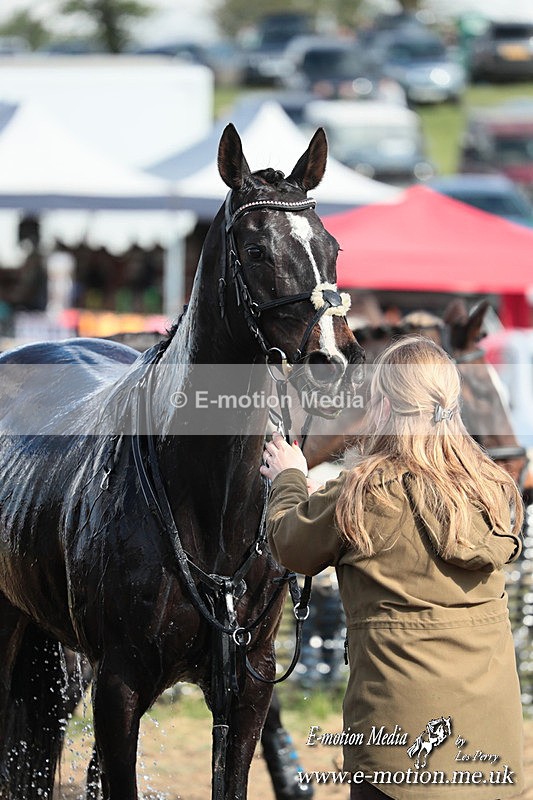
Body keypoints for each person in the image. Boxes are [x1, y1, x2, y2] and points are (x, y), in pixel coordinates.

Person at [260, 336, 524, 800]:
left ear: (382, 404)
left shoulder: (361, 493)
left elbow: (289, 544)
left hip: (397, 757)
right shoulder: (495, 489)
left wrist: (289, 477)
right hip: (493, 755)